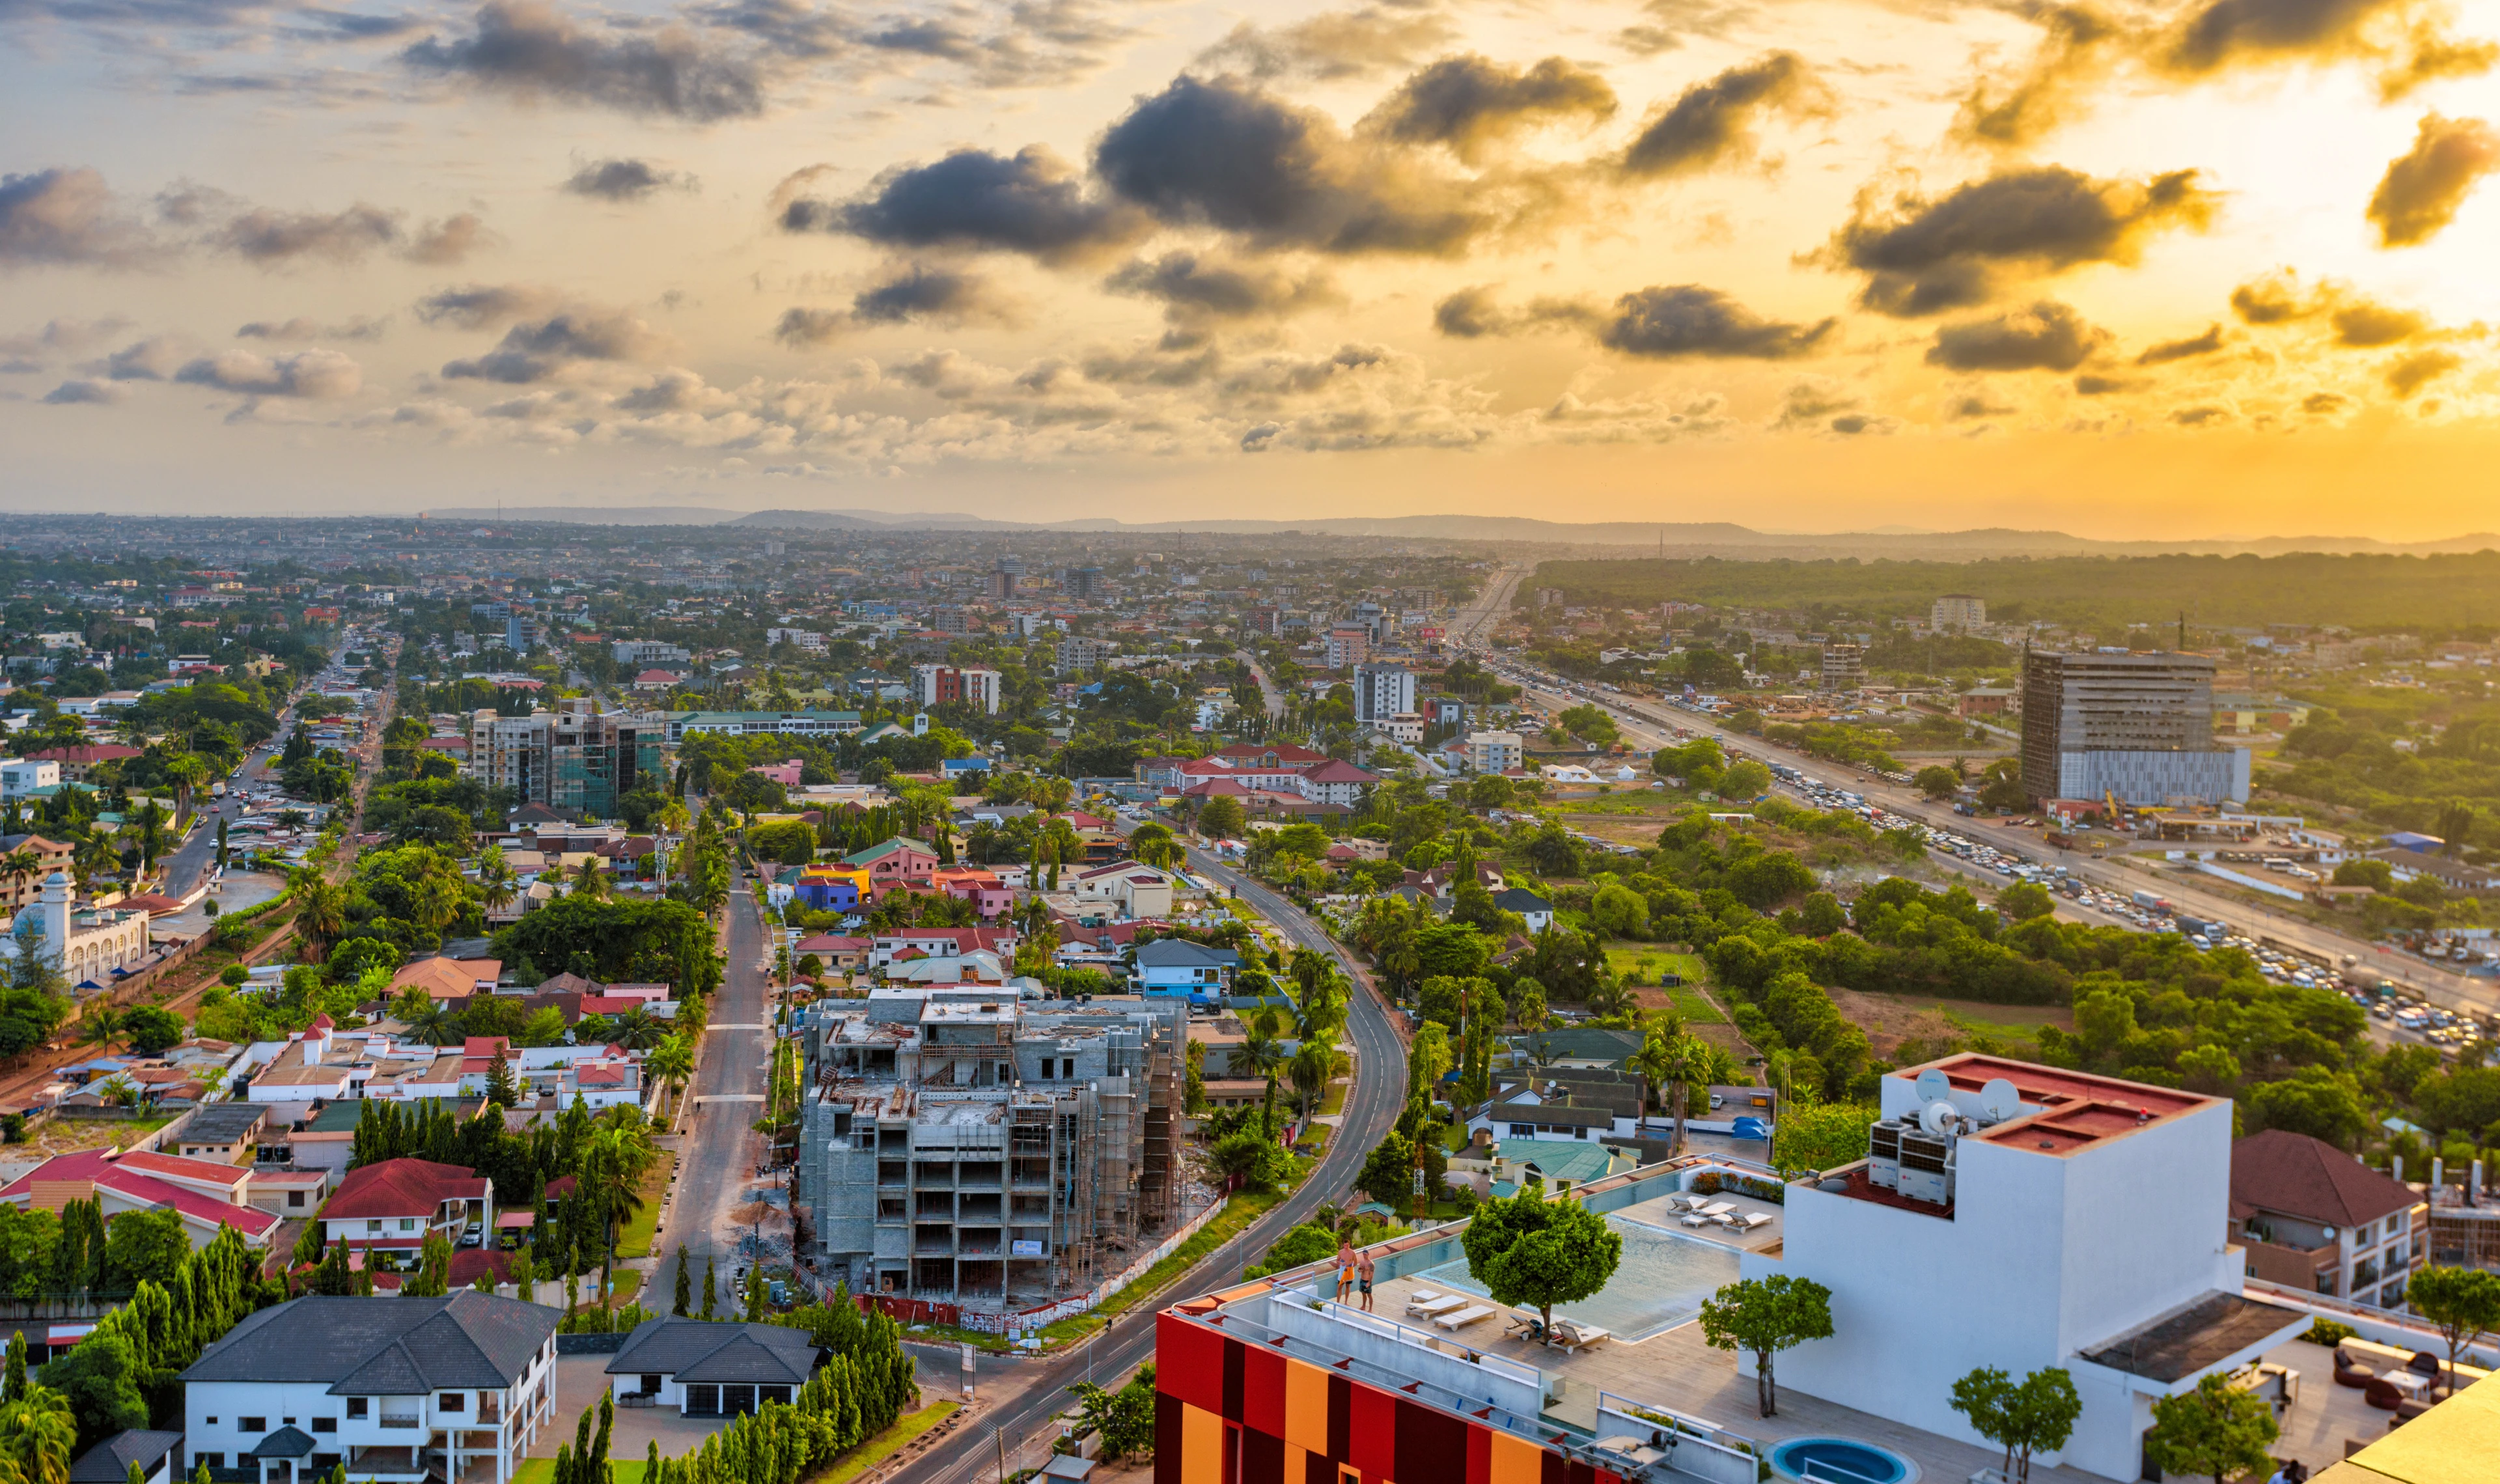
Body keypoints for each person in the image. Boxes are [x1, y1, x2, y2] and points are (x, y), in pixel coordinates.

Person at [1335, 1238, 1355, 1303]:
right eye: (1345, 1245)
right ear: (1343, 1245)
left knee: (1348, 1286)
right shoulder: (1341, 1252)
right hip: (1342, 1270)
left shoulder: (1352, 1252)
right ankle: (1338, 1301)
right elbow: (1337, 1260)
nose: (1346, 1247)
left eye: (1347, 1245)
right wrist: (1341, 1263)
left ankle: (1346, 1301)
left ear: (1349, 1245)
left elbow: (1355, 1262)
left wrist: (1350, 1268)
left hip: (1349, 1270)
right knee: (1340, 1286)